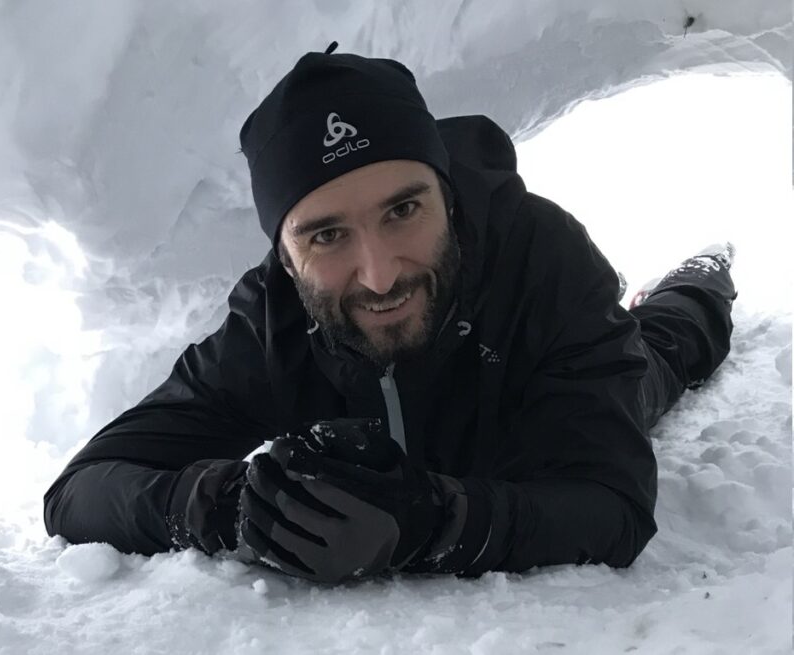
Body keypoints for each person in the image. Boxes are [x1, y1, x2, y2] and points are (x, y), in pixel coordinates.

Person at [43, 44, 737, 583]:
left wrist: (435, 522)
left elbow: (611, 507)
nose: (380, 273)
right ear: (284, 258)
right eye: (327, 235)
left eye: (402, 210)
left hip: (544, 420)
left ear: (448, 200)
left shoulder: (540, 255)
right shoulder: (272, 323)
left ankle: (702, 278)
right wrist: (228, 508)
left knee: (663, 353)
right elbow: (80, 490)